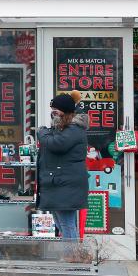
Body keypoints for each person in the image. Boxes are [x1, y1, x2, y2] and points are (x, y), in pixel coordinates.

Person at [37, 93, 89, 240]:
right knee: (61, 224)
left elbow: (56, 145)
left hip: (66, 185)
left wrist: (42, 132)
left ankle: (73, 258)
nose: (53, 111)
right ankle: (72, 256)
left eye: (56, 109)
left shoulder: (74, 129)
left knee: (66, 225)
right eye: (52, 108)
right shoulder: (62, 129)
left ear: (65, 111)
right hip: (59, 184)